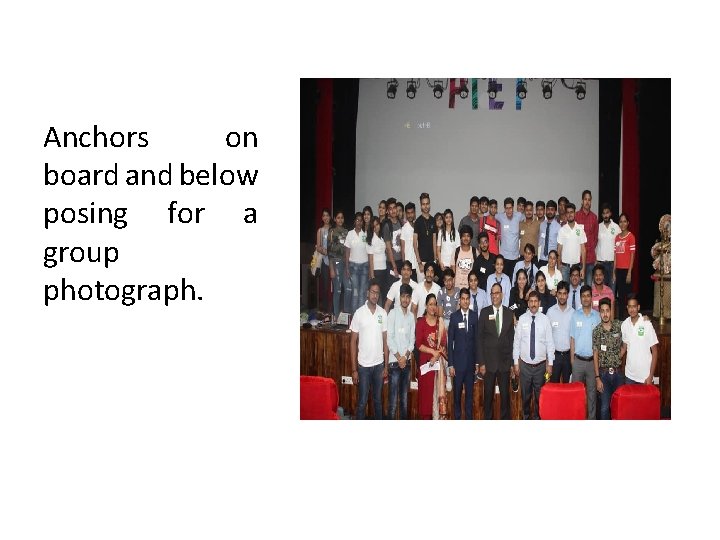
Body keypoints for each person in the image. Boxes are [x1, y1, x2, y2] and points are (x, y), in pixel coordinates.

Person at [350, 280, 389, 420]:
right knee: (362, 402)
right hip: (363, 367)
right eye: (372, 292)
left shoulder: (383, 313)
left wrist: (386, 366)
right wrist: (354, 369)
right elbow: (353, 342)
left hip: (379, 366)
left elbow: (386, 341)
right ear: (367, 293)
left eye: (377, 293)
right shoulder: (359, 313)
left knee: (378, 401)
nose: (374, 295)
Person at [513, 290, 555, 420]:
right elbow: (517, 342)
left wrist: (550, 364)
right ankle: (526, 418)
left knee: (540, 398)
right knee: (525, 397)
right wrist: (515, 363)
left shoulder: (545, 320)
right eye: (531, 301)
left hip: (540, 366)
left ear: (539, 303)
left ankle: (538, 419)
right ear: (528, 303)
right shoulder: (522, 320)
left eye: (535, 301)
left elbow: (550, 343)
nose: (533, 304)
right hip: (524, 366)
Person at [476, 282, 515, 419]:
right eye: (492, 293)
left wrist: (511, 364)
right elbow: (479, 339)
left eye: (497, 293)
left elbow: (511, 341)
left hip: (504, 364)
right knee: (488, 399)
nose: (494, 296)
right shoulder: (484, 312)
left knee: (505, 398)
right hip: (488, 364)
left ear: (502, 295)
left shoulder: (510, 314)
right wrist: (481, 363)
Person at [570, 285, 602, 419]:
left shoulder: (597, 316)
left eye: (588, 295)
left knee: (592, 396)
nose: (586, 298)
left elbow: (600, 341)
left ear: (591, 297)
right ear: (580, 298)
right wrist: (572, 361)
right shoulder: (575, 315)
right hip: (578, 361)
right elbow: (572, 338)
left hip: (592, 363)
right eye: (583, 296)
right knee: (576, 395)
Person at [415, 294, 448, 419]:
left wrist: (437, 354)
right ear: (426, 306)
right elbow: (418, 344)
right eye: (430, 304)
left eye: (435, 304)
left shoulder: (440, 322)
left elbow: (444, 343)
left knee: (436, 394)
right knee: (426, 397)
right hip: (426, 365)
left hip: (438, 366)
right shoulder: (421, 322)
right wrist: (432, 352)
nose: (433, 307)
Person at [593, 297, 625, 419]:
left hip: (618, 374)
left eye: (607, 310)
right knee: (604, 407)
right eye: (602, 311)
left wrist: (644, 318)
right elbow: (595, 354)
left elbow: (625, 343)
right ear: (599, 312)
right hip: (604, 375)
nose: (605, 314)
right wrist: (597, 378)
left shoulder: (619, 325)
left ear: (611, 311)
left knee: (619, 405)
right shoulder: (596, 331)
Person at [448, 288, 478, 419]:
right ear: (459, 300)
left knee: (469, 398)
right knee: (457, 397)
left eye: (467, 299)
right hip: (458, 366)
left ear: (469, 300)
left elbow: (477, 340)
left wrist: (477, 362)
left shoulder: (473, 315)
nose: (465, 301)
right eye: (463, 299)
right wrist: (451, 365)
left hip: (471, 365)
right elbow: (450, 343)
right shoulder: (454, 317)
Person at [387, 284, 415, 420]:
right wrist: (399, 358)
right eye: (403, 296)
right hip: (394, 363)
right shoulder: (393, 313)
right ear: (400, 297)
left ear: (410, 299)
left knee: (404, 400)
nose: (405, 299)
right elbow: (389, 338)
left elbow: (412, 340)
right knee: (392, 402)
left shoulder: (411, 317)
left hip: (407, 363)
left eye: (408, 297)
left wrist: (405, 357)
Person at [621, 295, 659, 385]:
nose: (632, 309)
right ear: (627, 307)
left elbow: (655, 352)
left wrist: (650, 376)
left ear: (638, 307)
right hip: (629, 376)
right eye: (629, 306)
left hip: (645, 377)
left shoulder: (646, 324)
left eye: (634, 306)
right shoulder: (624, 324)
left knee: (646, 399)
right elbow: (624, 348)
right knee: (630, 399)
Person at [547, 281, 574, 383]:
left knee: (568, 387)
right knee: (554, 386)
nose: (562, 296)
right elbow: (547, 337)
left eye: (564, 293)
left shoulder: (573, 313)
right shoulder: (550, 312)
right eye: (560, 293)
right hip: (555, 356)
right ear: (556, 294)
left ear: (568, 295)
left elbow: (574, 337)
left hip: (568, 356)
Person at [345, 211, 369, 313]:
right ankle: (354, 318)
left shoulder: (366, 234)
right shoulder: (350, 234)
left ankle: (361, 318)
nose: (359, 222)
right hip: (353, 267)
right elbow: (347, 252)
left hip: (364, 267)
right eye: (357, 220)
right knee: (355, 292)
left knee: (362, 293)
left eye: (361, 220)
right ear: (354, 221)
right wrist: (346, 268)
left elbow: (369, 251)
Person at [413, 192, 439, 284]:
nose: (426, 206)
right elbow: (414, 244)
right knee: (421, 288)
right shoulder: (417, 222)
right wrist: (419, 263)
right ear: (420, 206)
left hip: (432, 262)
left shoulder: (433, 220)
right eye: (423, 204)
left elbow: (434, 241)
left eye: (427, 204)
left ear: (430, 204)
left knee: (433, 289)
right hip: (422, 262)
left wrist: (435, 260)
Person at [328, 210, 350, 317]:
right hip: (335, 262)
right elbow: (329, 251)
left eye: (342, 217)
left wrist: (347, 266)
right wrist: (331, 268)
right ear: (335, 219)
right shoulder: (332, 232)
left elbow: (348, 249)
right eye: (338, 217)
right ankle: (336, 315)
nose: (340, 219)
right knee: (337, 290)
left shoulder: (347, 232)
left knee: (348, 288)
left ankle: (345, 315)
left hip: (345, 263)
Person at [557, 202, 587, 283]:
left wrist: (583, 268)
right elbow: (559, 250)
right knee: (564, 292)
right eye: (568, 212)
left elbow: (583, 250)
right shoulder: (562, 230)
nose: (570, 214)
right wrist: (559, 266)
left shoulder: (580, 229)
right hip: (564, 268)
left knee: (577, 291)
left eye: (571, 212)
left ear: (575, 213)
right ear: (566, 214)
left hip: (576, 267)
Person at [613, 213, 636, 319]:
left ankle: (631, 319)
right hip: (618, 271)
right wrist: (614, 272)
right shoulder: (617, 238)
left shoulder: (631, 237)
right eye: (620, 221)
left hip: (627, 271)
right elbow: (616, 255)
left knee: (629, 298)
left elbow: (632, 255)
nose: (622, 223)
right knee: (620, 298)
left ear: (628, 223)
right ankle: (621, 321)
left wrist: (629, 273)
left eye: (624, 221)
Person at [575, 190, 598, 285]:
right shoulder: (576, 216)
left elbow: (595, 238)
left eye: (589, 200)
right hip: (577, 258)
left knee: (588, 288)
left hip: (590, 259)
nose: (587, 202)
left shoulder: (594, 217)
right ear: (582, 201)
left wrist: (590, 248)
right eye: (585, 199)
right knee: (577, 287)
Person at [496, 197, 523, 280]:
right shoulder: (500, 216)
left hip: (515, 257)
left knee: (513, 279)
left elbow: (528, 218)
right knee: (503, 279)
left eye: (510, 208)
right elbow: (490, 215)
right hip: (504, 256)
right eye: (507, 208)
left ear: (513, 207)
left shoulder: (519, 216)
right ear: (504, 208)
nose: (508, 210)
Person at [596, 203, 619, 290]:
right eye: (604, 213)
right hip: (600, 264)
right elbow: (595, 245)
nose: (605, 215)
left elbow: (619, 247)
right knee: (601, 290)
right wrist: (596, 261)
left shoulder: (616, 227)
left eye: (607, 213)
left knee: (612, 291)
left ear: (610, 213)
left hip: (612, 264)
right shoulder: (598, 227)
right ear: (602, 215)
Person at [367, 216, 388, 306]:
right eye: (374, 226)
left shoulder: (381, 237)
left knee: (383, 294)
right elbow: (370, 258)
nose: (376, 227)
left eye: (377, 224)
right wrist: (372, 275)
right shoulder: (371, 239)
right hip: (376, 271)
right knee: (377, 295)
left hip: (384, 270)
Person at [315, 208, 332, 313]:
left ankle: (333, 309)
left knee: (335, 287)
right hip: (325, 261)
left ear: (330, 217)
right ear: (322, 218)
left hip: (335, 262)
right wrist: (327, 252)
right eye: (324, 215)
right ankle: (325, 310)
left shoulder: (334, 229)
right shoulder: (320, 230)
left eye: (327, 215)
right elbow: (318, 247)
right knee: (326, 287)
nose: (326, 217)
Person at [382, 198, 403, 280]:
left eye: (394, 208)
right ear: (387, 211)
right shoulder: (387, 226)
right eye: (390, 209)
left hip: (401, 261)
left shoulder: (400, 222)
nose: (393, 210)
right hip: (392, 263)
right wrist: (394, 267)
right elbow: (388, 248)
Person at [537, 199, 561, 267]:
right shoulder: (542, 225)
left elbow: (559, 247)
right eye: (548, 209)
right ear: (545, 211)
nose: (549, 211)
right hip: (541, 259)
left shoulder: (558, 227)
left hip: (552, 260)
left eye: (552, 209)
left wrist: (558, 262)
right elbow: (539, 242)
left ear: (555, 211)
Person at [453, 225, 477, 290]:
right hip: (457, 288)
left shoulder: (475, 252)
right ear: (460, 237)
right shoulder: (456, 251)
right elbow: (453, 271)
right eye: (463, 236)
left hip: (471, 288)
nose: (466, 238)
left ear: (471, 237)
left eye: (468, 236)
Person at [400, 202, 419, 282]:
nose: (410, 215)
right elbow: (402, 248)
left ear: (414, 213)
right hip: (409, 266)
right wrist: (405, 267)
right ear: (405, 214)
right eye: (408, 213)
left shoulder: (418, 226)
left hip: (418, 265)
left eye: (411, 213)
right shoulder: (404, 228)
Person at [436, 209, 459, 274]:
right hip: (443, 265)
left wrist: (454, 264)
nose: (448, 219)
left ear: (452, 218)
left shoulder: (456, 233)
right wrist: (440, 262)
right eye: (446, 217)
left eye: (450, 217)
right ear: (444, 219)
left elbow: (458, 250)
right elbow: (438, 250)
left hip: (453, 265)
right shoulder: (441, 232)